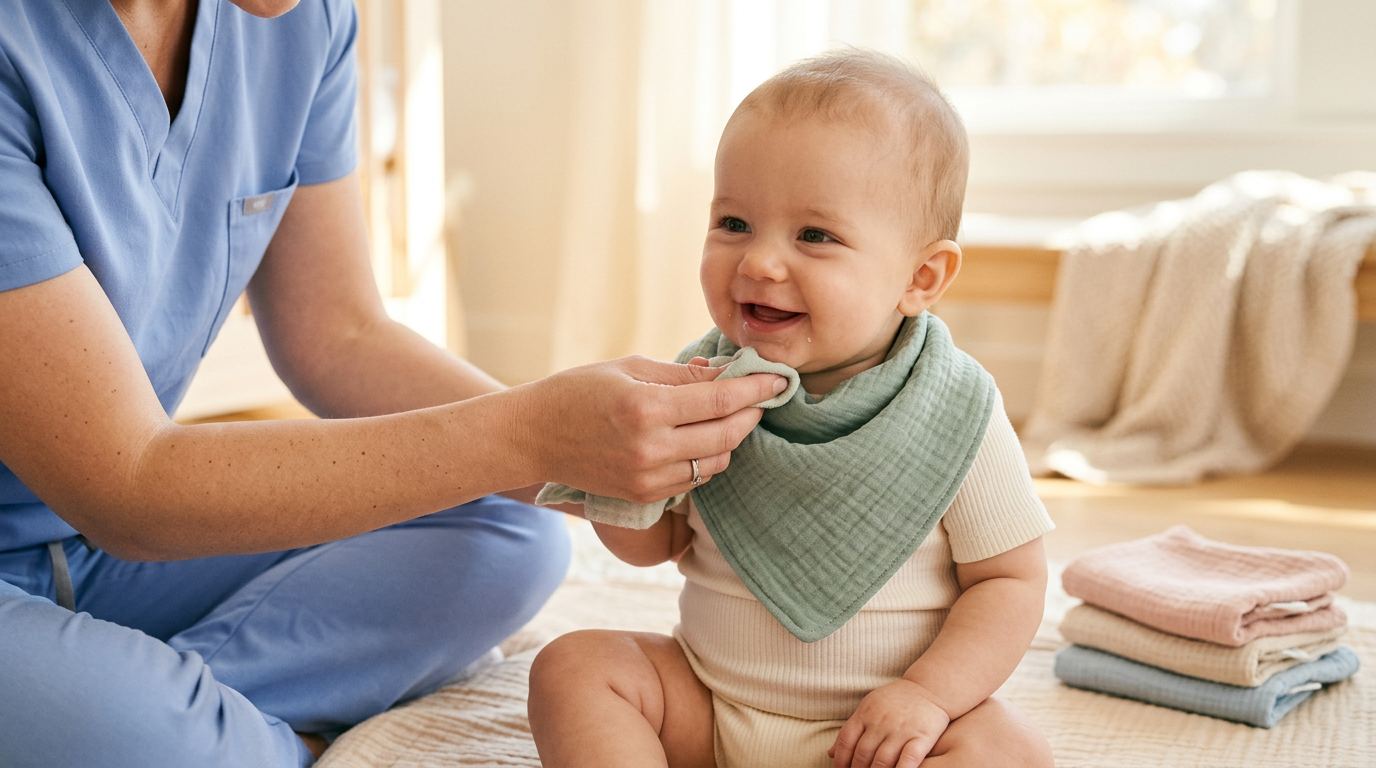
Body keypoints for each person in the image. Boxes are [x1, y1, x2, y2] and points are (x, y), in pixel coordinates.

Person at [0, 1, 787, 766]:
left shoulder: (302, 20)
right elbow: (126, 487)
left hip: (99, 552)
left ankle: (171, 715)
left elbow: (339, 336)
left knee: (514, 529)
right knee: (153, 737)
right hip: (109, 508)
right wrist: (533, 432)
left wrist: (606, 463)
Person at [527, 50, 1057, 768]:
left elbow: (1010, 580)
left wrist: (929, 697)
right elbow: (659, 548)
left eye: (814, 236)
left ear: (921, 277)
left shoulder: (956, 407)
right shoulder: (700, 386)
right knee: (574, 667)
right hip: (711, 709)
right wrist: (616, 492)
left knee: (1009, 748)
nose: (759, 263)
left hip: (881, 736)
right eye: (735, 222)